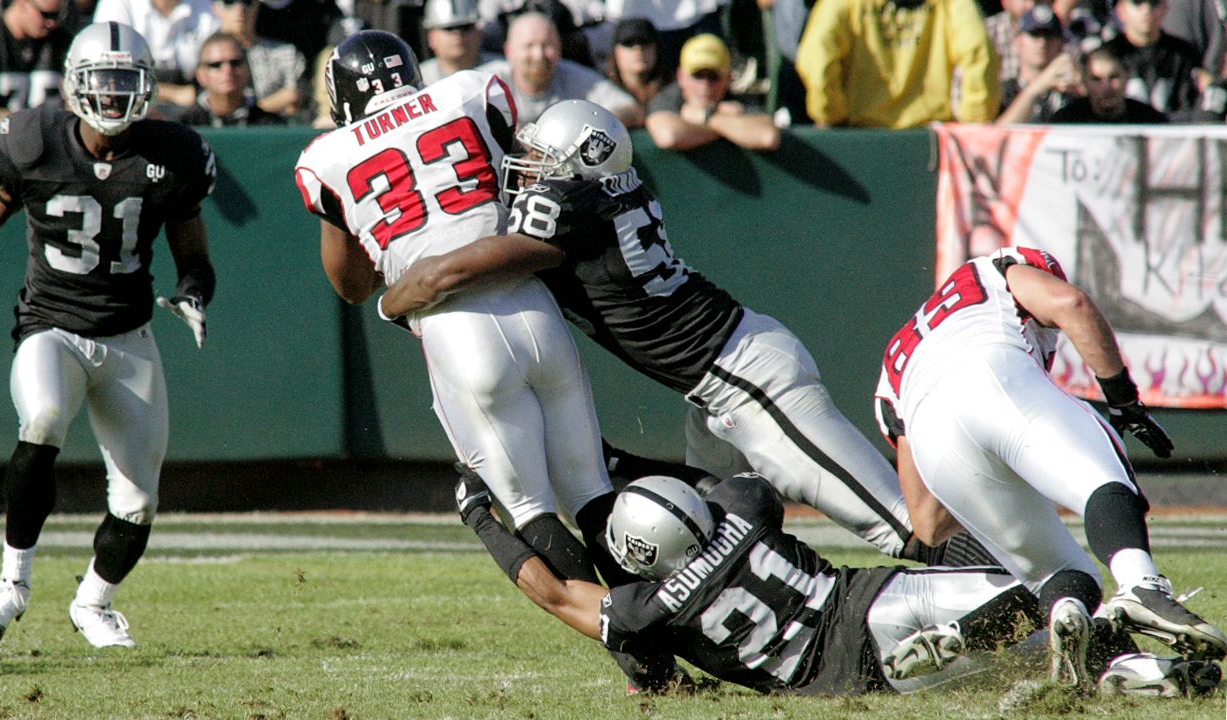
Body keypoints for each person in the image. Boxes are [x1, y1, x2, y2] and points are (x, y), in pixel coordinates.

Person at [380, 100, 993, 570]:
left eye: (545, 156)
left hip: (747, 384)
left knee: (910, 528)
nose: (531, 166)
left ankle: (1029, 601)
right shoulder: (611, 192)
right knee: (719, 527)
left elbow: (450, 272)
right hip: (721, 385)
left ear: (577, 165)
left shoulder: (572, 207)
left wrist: (391, 303)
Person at [293, 30, 675, 693]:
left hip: (454, 332)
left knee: (528, 511)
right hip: (534, 305)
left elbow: (351, 286)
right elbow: (531, 175)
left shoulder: (325, 156)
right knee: (591, 490)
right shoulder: (473, 90)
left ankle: (647, 663)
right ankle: (672, 635)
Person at [455, 468, 1224, 695]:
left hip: (847, 677)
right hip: (872, 598)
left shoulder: (646, 606)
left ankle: (1117, 674)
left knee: (1013, 666)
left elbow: (550, 590)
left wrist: (482, 518)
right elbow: (742, 484)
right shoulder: (743, 513)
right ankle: (1123, 647)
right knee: (1055, 586)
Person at [0, 21, 217, 648]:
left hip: (129, 335)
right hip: (51, 324)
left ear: (148, 85)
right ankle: (11, 583)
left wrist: (193, 294)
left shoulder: (172, 154)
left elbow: (195, 257)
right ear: (74, 83)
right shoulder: (32, 139)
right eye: (103, 81)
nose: (114, 95)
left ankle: (93, 603)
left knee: (139, 502)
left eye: (127, 81)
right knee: (43, 418)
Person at [873, 246, 1227, 687]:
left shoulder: (896, 361)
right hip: (991, 371)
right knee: (1105, 471)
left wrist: (1005, 470)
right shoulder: (990, 271)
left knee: (1064, 578)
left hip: (933, 440)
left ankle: (969, 635)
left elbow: (927, 522)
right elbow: (1071, 304)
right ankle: (1142, 585)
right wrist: (1124, 400)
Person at [797, 0, 999, 128]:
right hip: (931, 140)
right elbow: (979, 51)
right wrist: (975, 119)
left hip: (859, 135)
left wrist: (831, 114)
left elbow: (817, 58)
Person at [480, 11, 643, 128]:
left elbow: (630, 108)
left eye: (547, 45)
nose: (539, 55)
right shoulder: (487, 82)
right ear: (509, 51)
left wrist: (584, 127)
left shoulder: (577, 78)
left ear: (559, 48)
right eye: (529, 46)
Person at [644, 34, 780, 151]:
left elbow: (768, 137)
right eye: (697, 75)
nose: (705, 85)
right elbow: (669, 136)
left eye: (713, 76)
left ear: (728, 79)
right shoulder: (668, 98)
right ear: (681, 77)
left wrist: (708, 117)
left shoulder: (734, 100)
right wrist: (731, 126)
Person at [0, 0, 72, 128]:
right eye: (46, 15)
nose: (52, 23)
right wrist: (27, 126)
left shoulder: (62, 43)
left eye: (58, 15)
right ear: (22, 3)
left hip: (49, 142)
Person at [91, 0, 221, 116]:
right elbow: (109, 75)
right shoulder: (117, 4)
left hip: (193, 107)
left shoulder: (206, 8)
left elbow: (217, 64)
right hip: (129, 102)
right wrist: (173, 94)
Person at [1100, 0, 1203, 119]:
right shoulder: (1108, 55)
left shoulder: (1184, 54)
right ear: (1120, 10)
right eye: (1137, 3)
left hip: (1172, 133)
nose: (1146, 11)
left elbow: (1188, 108)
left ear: (1166, 7)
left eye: (1154, 3)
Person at [209, 0, 308, 117]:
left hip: (273, 130)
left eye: (247, 2)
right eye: (229, 2)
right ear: (215, 8)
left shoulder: (286, 53)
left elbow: (295, 97)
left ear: (257, 7)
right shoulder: (207, 56)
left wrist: (250, 113)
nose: (240, 9)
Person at [179, 32, 286, 126]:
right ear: (200, 75)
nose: (227, 70)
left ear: (248, 69)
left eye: (235, 63)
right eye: (216, 65)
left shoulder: (271, 126)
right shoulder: (184, 127)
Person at [997, 5, 1081, 123]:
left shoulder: (1070, 93)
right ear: (1017, 41)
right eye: (1034, 35)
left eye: (1049, 36)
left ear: (1061, 44)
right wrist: (1036, 89)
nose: (1042, 43)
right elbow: (999, 134)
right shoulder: (1002, 91)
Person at [1049, 44, 1169, 122]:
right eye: (1097, 79)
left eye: (1114, 77)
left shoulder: (1150, 121)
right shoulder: (1066, 121)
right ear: (1085, 82)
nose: (1106, 88)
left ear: (1127, 78)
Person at [420, 0, 502, 84]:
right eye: (449, 28)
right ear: (431, 36)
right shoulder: (419, 79)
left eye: (465, 27)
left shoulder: (504, 72)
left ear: (479, 32)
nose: (458, 34)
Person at [604, 17, 668, 111]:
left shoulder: (678, 89)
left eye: (644, 42)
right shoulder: (603, 90)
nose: (638, 49)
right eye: (629, 44)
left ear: (656, 49)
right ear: (616, 52)